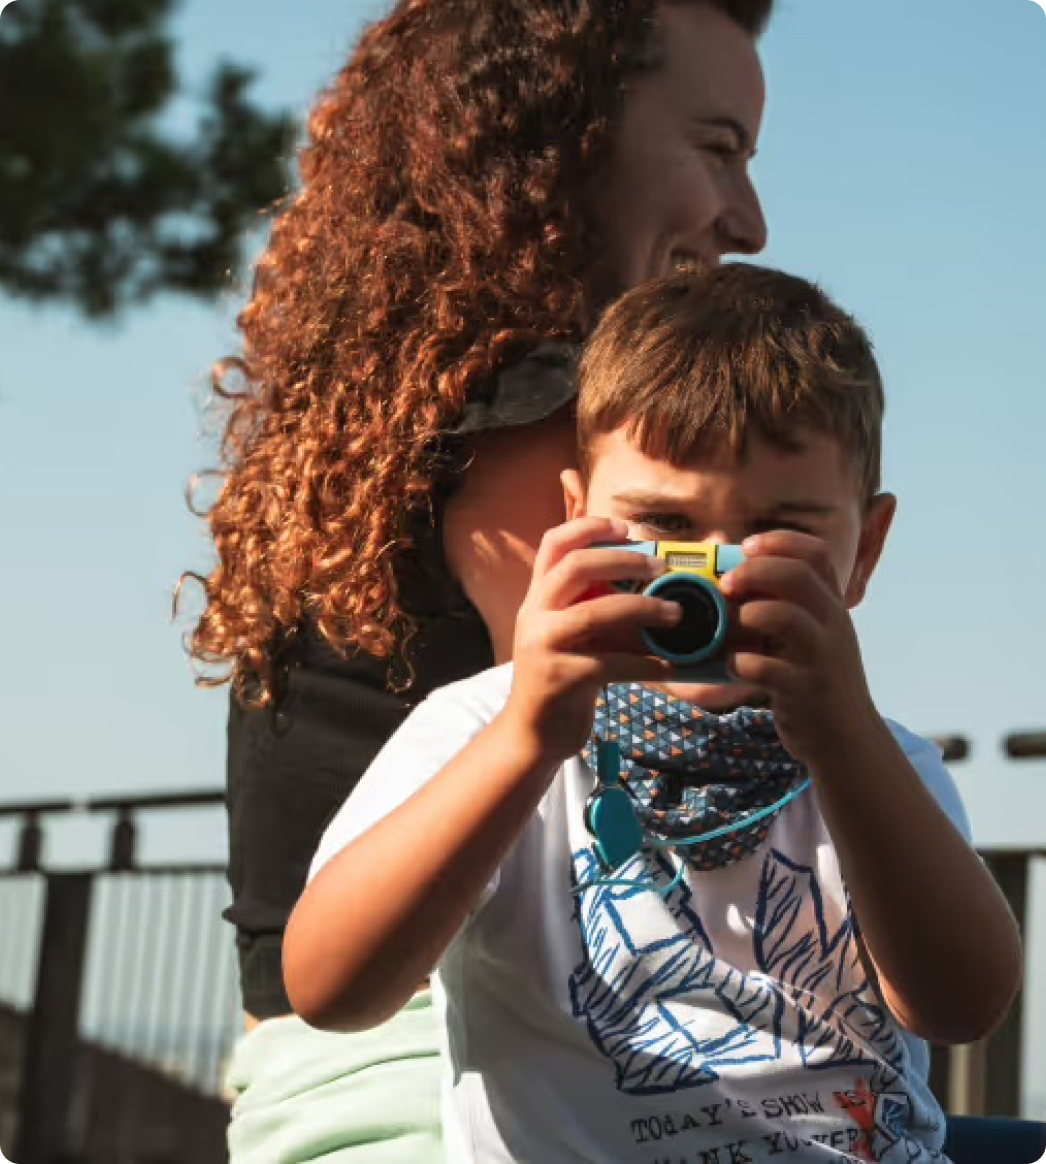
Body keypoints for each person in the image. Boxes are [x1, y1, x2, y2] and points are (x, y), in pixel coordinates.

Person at [189, 0, 769, 1158]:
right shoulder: (550, 437)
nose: (749, 223)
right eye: (717, 149)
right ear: (563, 141)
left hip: (318, 1092)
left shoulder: (379, 427)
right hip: (462, 1085)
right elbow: (683, 814)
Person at [284, 264, 1023, 1163]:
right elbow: (331, 990)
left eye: (779, 531)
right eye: (664, 524)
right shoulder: (484, 729)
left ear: (863, 552)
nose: (715, 570)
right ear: (575, 518)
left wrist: (846, 742)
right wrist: (526, 740)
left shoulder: (877, 763)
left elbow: (961, 1007)